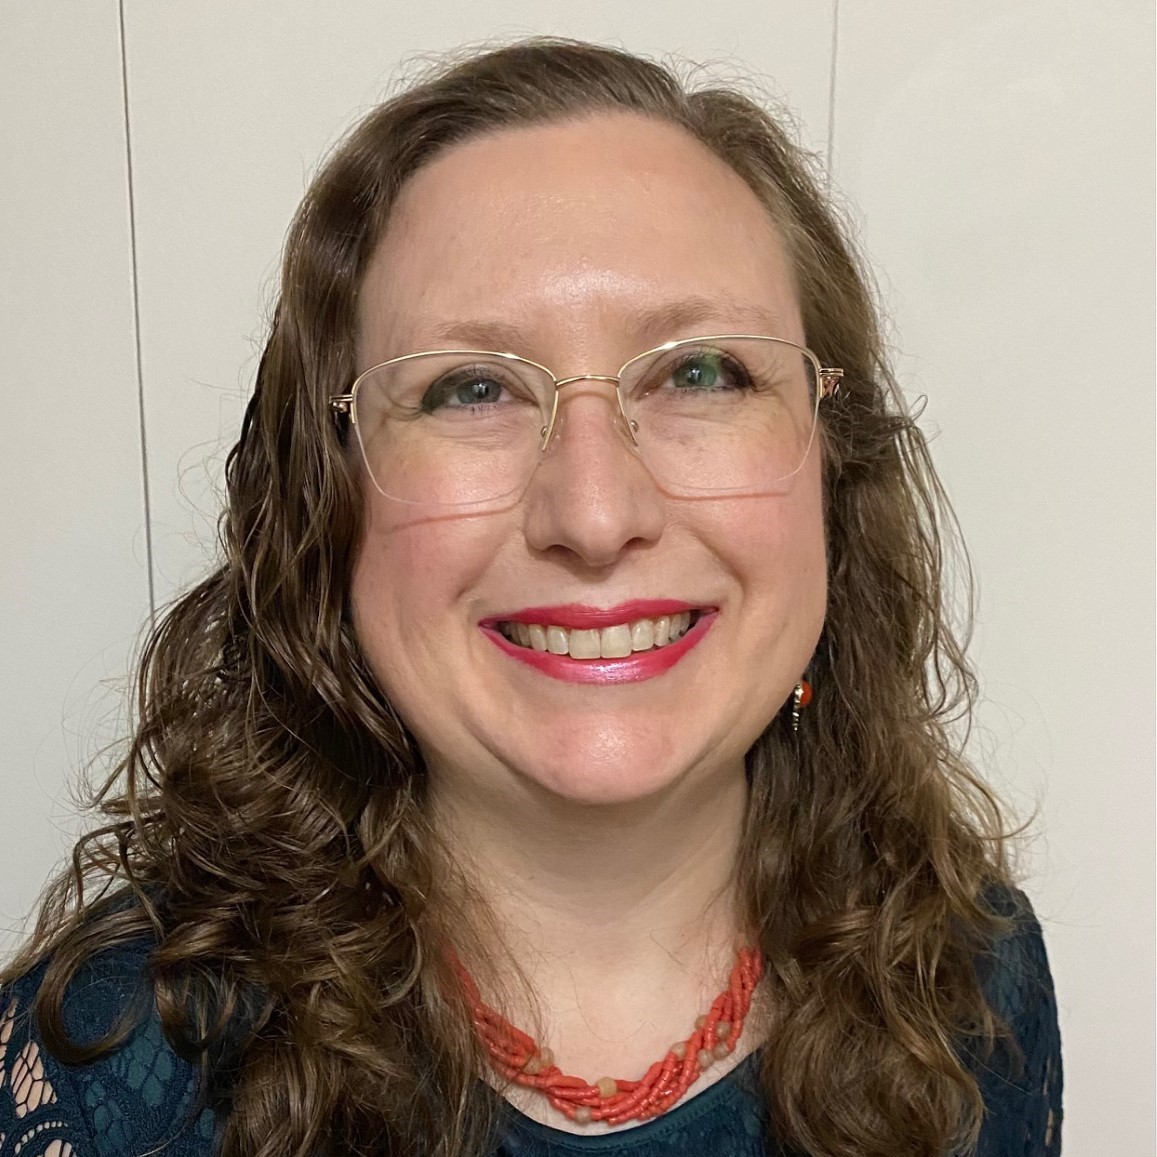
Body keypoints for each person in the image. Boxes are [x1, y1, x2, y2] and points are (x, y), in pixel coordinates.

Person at [0, 38, 1061, 1157]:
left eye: (699, 371)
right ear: (328, 502)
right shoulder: (116, 1064)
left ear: (830, 477)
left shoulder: (966, 975)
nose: (594, 515)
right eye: (471, 389)